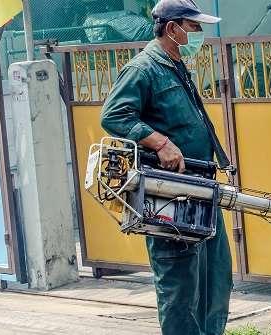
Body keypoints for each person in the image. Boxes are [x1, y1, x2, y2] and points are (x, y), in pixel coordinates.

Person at [100, 0, 233, 334]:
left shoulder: (174, 66)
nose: (199, 34)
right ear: (173, 29)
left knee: (216, 278)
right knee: (180, 284)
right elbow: (114, 115)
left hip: (200, 190)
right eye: (194, 27)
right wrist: (159, 142)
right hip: (170, 196)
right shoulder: (143, 69)